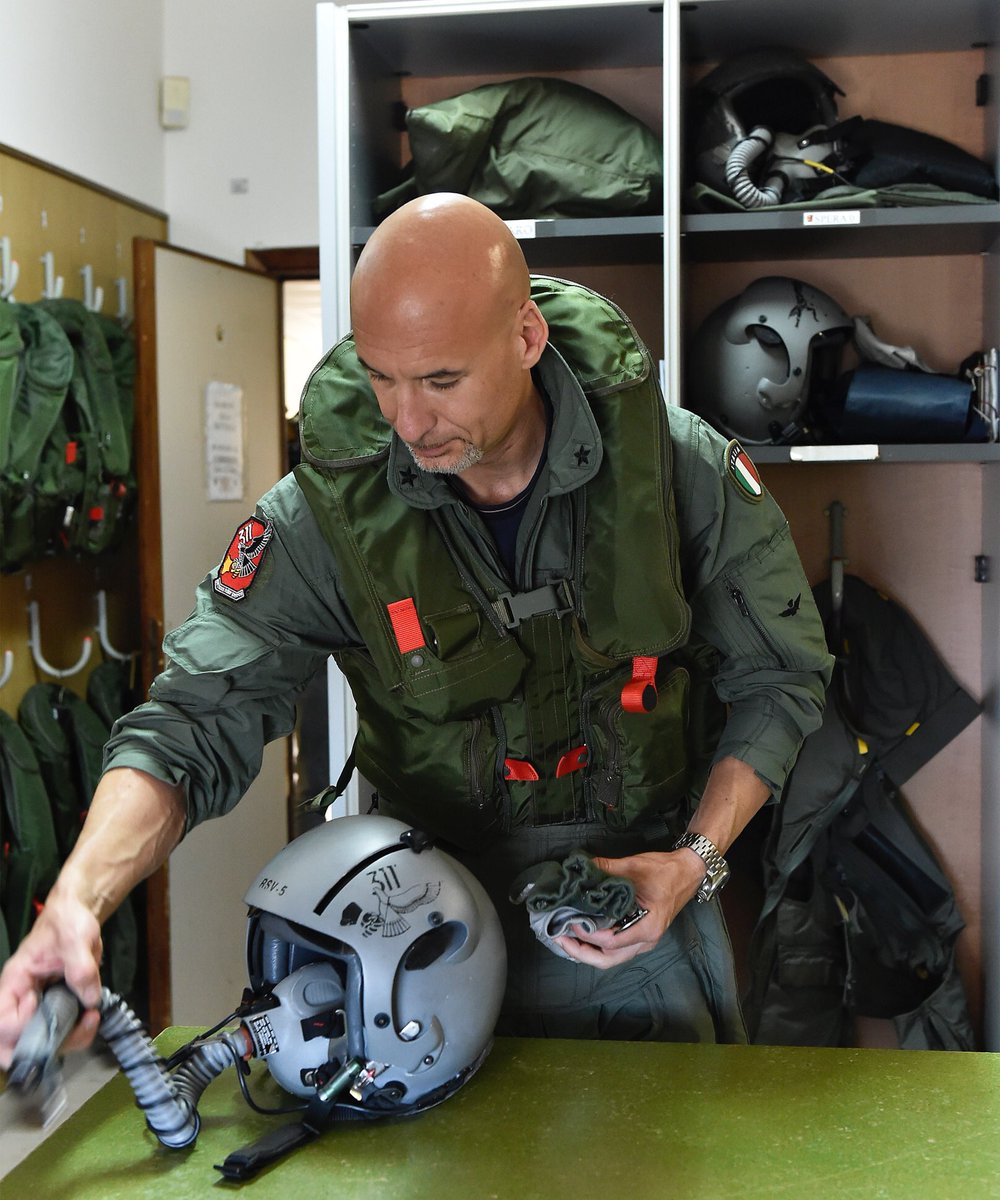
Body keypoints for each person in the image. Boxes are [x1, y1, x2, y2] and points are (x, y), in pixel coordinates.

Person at [0, 194, 832, 1065]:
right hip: (411, 934)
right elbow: (193, 719)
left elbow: (782, 678)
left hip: (633, 921)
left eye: (440, 381)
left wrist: (695, 859)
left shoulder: (677, 469)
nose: (407, 421)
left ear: (525, 338)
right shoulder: (329, 516)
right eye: (380, 377)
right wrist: (76, 903)